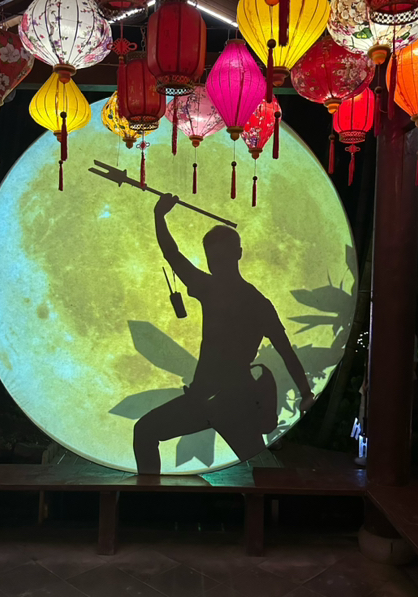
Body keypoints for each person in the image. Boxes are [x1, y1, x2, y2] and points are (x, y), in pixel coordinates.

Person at [133, 193, 315, 474]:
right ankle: (150, 496)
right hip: (209, 399)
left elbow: (285, 350)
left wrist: (305, 393)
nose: (215, 265)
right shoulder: (221, 291)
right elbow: (172, 255)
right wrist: (159, 216)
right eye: (212, 260)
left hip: (233, 403)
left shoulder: (241, 298)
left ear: (238, 254)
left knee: (259, 470)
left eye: (220, 258)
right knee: (145, 431)